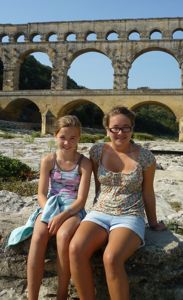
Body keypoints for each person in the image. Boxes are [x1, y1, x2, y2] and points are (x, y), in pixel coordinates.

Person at [69, 106, 166, 300]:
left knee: (111, 258)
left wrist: (153, 223)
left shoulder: (146, 157)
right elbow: (98, 185)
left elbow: (148, 193)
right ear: (107, 129)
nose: (120, 132)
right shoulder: (97, 151)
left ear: (132, 129)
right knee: (75, 249)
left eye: (125, 127)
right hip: (99, 212)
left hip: (129, 215)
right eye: (115, 128)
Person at [7, 115, 92, 300]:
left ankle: (62, 295)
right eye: (63, 137)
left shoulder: (84, 163)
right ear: (55, 136)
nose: (67, 142)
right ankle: (32, 296)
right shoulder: (48, 160)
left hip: (72, 209)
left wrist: (61, 217)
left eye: (72, 138)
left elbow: (81, 200)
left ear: (79, 138)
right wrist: (49, 211)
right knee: (38, 236)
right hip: (50, 206)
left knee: (63, 237)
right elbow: (41, 194)